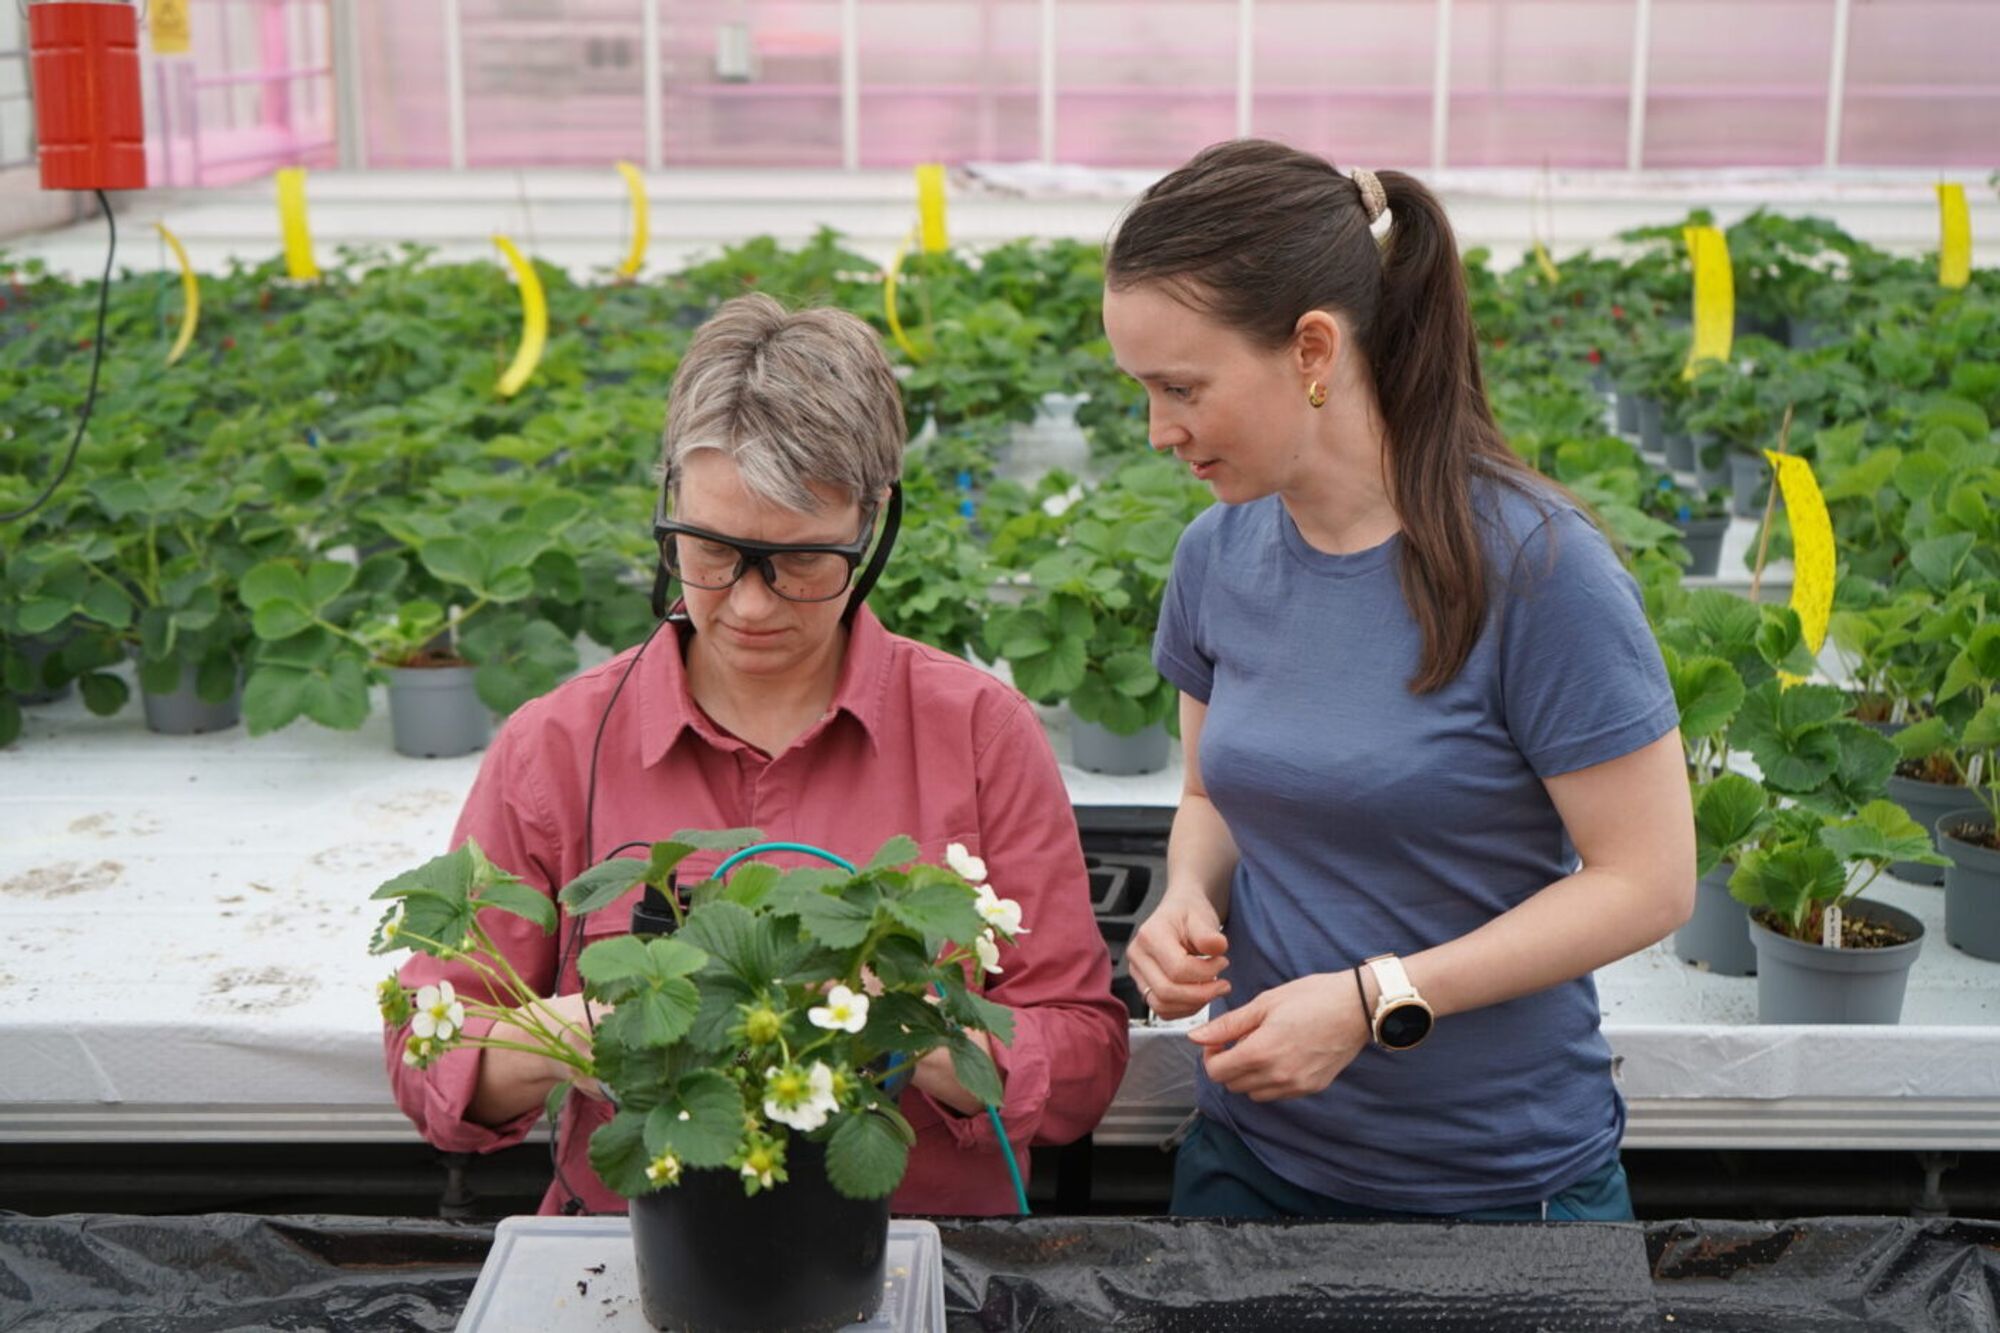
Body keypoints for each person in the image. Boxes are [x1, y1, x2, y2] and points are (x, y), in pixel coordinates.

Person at [385, 294, 1129, 1216]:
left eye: (799, 561)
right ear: (668, 503)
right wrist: (593, 1026)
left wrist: (913, 1031)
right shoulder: (560, 743)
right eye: (708, 550)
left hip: (917, 1251)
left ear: (873, 521)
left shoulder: (977, 731)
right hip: (639, 1253)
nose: (749, 603)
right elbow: (429, 1059)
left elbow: (1085, 1052)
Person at [1109, 140, 1694, 1221]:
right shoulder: (1216, 556)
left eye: (1180, 387)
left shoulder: (1535, 569)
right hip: (1250, 1161)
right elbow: (1207, 795)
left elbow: (1646, 882)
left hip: (1494, 1190)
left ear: (1312, 348)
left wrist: (1377, 998)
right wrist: (1184, 896)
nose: (1158, 430)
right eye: (1141, 390)